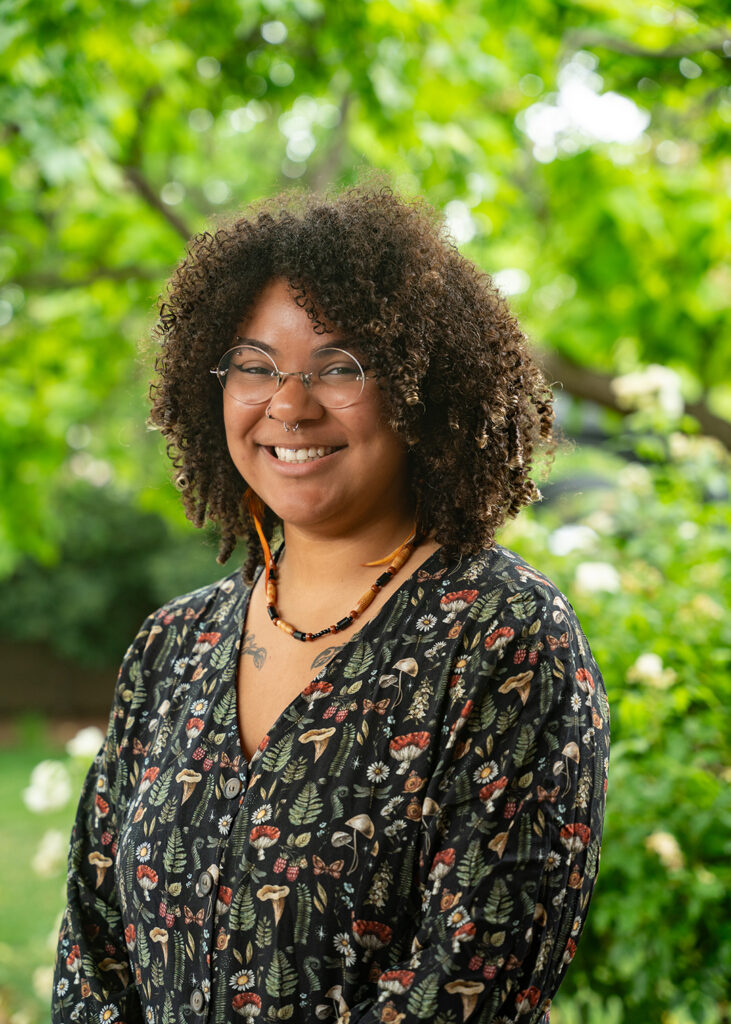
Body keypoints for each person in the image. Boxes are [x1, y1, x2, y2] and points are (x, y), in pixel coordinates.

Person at [52, 185, 609, 1024]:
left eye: (339, 366)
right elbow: (93, 951)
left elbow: (465, 986)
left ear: (422, 387)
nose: (289, 404)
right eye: (253, 366)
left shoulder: (504, 637)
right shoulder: (174, 644)